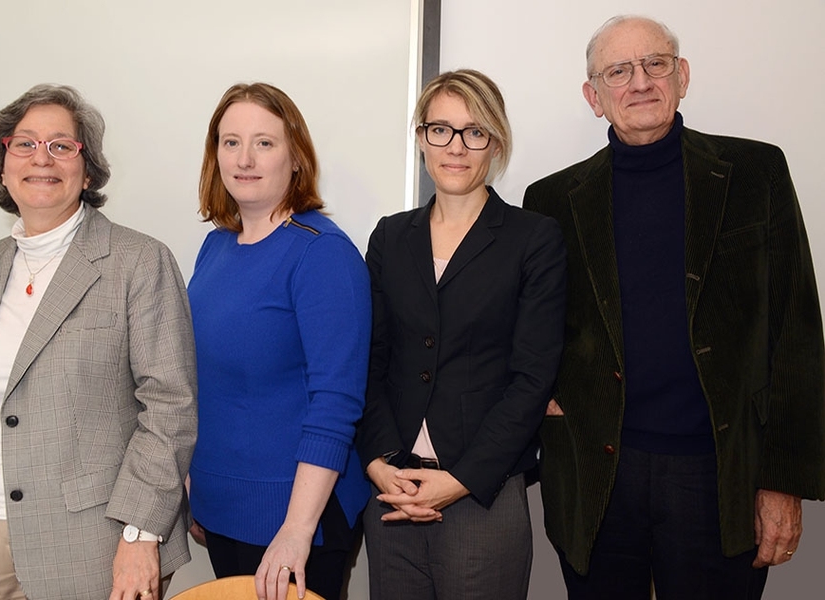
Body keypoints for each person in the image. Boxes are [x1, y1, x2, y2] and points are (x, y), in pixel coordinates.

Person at [523, 15, 825, 600]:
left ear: (681, 76)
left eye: (655, 64)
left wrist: (784, 481)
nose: (639, 82)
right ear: (594, 96)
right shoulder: (552, 199)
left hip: (720, 472)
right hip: (600, 478)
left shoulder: (756, 174)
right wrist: (547, 396)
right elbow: (536, 327)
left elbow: (797, 333)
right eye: (618, 71)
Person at [0, 84, 197, 600]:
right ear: (2, 164)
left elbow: (170, 408)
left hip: (97, 543)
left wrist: (140, 534)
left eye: (61, 145)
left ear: (87, 168)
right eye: (24, 144)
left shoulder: (137, 262)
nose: (40, 158)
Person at [357, 69, 567, 599]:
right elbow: (368, 360)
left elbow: (532, 377)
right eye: (440, 129)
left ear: (495, 143)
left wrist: (462, 479)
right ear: (421, 137)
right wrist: (378, 462)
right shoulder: (389, 235)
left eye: (474, 131)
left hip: (482, 495)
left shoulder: (533, 239)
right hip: (393, 494)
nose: (456, 146)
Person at [186, 82, 371, 600]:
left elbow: (335, 404)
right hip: (222, 508)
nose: (245, 158)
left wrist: (296, 531)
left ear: (296, 157)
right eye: (230, 142)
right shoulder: (214, 248)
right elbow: (203, 381)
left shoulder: (322, 255)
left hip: (293, 522)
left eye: (264, 142)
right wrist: (197, 491)